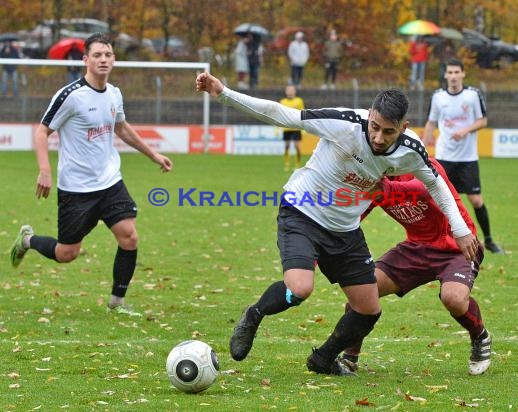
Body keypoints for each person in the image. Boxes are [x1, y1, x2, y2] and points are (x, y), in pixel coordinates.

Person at [195, 71, 479, 376]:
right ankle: (254, 314)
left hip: (344, 229)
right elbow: (282, 115)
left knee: (368, 309)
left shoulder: (411, 150)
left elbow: (436, 185)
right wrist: (223, 93)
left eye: (389, 132)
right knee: (300, 289)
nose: (379, 138)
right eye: (374, 127)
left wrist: (460, 230)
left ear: (404, 128)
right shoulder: (343, 123)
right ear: (369, 115)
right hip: (303, 212)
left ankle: (323, 359)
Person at [9, 33, 173, 316]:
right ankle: (27, 240)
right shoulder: (71, 96)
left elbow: (121, 128)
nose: (103, 60)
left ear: (114, 59)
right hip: (76, 188)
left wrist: (153, 154)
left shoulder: (114, 94)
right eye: (97, 55)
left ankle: (117, 302)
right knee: (66, 254)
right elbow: (42, 131)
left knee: (129, 237)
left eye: (108, 55)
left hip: (110, 181)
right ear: (86, 60)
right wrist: (44, 170)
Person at [339, 158, 491, 376]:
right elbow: (352, 215)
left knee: (454, 299)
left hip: (458, 246)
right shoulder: (374, 177)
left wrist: (383, 187)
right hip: (416, 248)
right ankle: (349, 358)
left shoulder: (420, 163)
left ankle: (480, 336)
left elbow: (423, 189)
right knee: (361, 291)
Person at [422, 58, 504, 254]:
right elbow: (431, 122)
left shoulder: (472, 95)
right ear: (445, 75)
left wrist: (466, 130)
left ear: (463, 74)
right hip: (444, 157)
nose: (452, 76)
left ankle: (490, 240)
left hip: (467, 159)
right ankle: (438, 240)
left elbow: (483, 120)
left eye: (456, 72)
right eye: (449, 73)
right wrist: (423, 148)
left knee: (475, 200)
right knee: (440, 200)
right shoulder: (438, 97)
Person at [279, 84, 305, 171]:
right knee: (286, 146)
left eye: (291, 90)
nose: (290, 92)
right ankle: (287, 164)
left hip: (296, 127)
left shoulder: (299, 101)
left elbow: (302, 112)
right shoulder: (282, 101)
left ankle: (297, 164)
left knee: (296, 146)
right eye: (288, 90)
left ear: (294, 91)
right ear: (286, 91)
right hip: (286, 127)